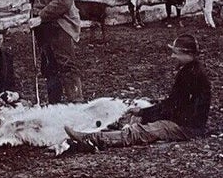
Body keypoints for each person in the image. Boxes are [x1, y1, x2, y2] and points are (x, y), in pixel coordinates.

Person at [66, 35, 211, 151]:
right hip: (187, 122)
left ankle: (93, 139)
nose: (173, 57)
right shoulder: (191, 70)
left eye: (176, 53)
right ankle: (101, 134)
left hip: (187, 127)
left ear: (188, 54)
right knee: (141, 121)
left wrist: (144, 113)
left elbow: (174, 106)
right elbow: (176, 103)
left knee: (141, 131)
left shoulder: (191, 74)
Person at [27, 0, 82, 103]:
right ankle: (54, 105)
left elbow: (63, 1)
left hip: (60, 24)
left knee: (66, 65)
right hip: (42, 26)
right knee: (49, 66)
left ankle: (76, 104)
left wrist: (41, 17)